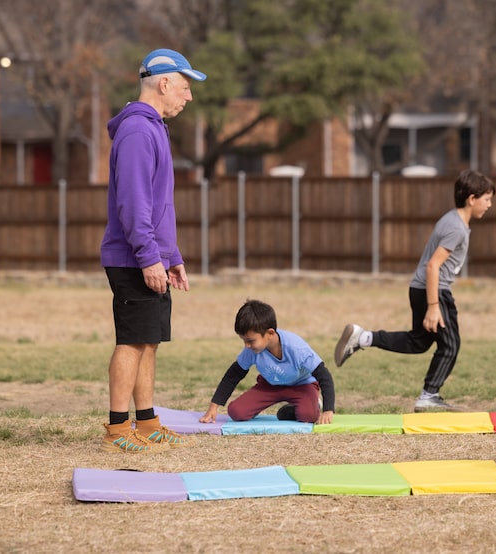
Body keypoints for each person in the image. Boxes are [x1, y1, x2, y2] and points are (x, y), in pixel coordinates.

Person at [100, 48, 207, 453]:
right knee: (131, 340)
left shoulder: (155, 128)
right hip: (132, 258)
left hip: (152, 257)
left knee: (148, 340)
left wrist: (171, 256)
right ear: (164, 83)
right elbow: (133, 203)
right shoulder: (138, 131)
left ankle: (146, 422)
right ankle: (117, 427)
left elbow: (160, 205)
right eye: (184, 86)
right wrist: (148, 257)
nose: (188, 96)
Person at [334, 169, 495, 412]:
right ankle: (429, 395)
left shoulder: (451, 219)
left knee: (419, 341)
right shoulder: (456, 228)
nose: (489, 205)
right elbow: (433, 266)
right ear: (472, 199)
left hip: (420, 288)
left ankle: (363, 337)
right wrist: (433, 307)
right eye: (487, 199)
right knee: (450, 345)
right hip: (434, 291)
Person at [200, 299, 336, 425]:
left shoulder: (296, 348)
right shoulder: (251, 350)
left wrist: (328, 409)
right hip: (270, 385)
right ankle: (295, 407)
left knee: (308, 415)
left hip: (301, 386)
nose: (246, 345)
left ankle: (305, 407)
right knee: (236, 412)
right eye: (243, 340)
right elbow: (233, 374)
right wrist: (214, 406)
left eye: (250, 340)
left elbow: (324, 375)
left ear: (270, 333)